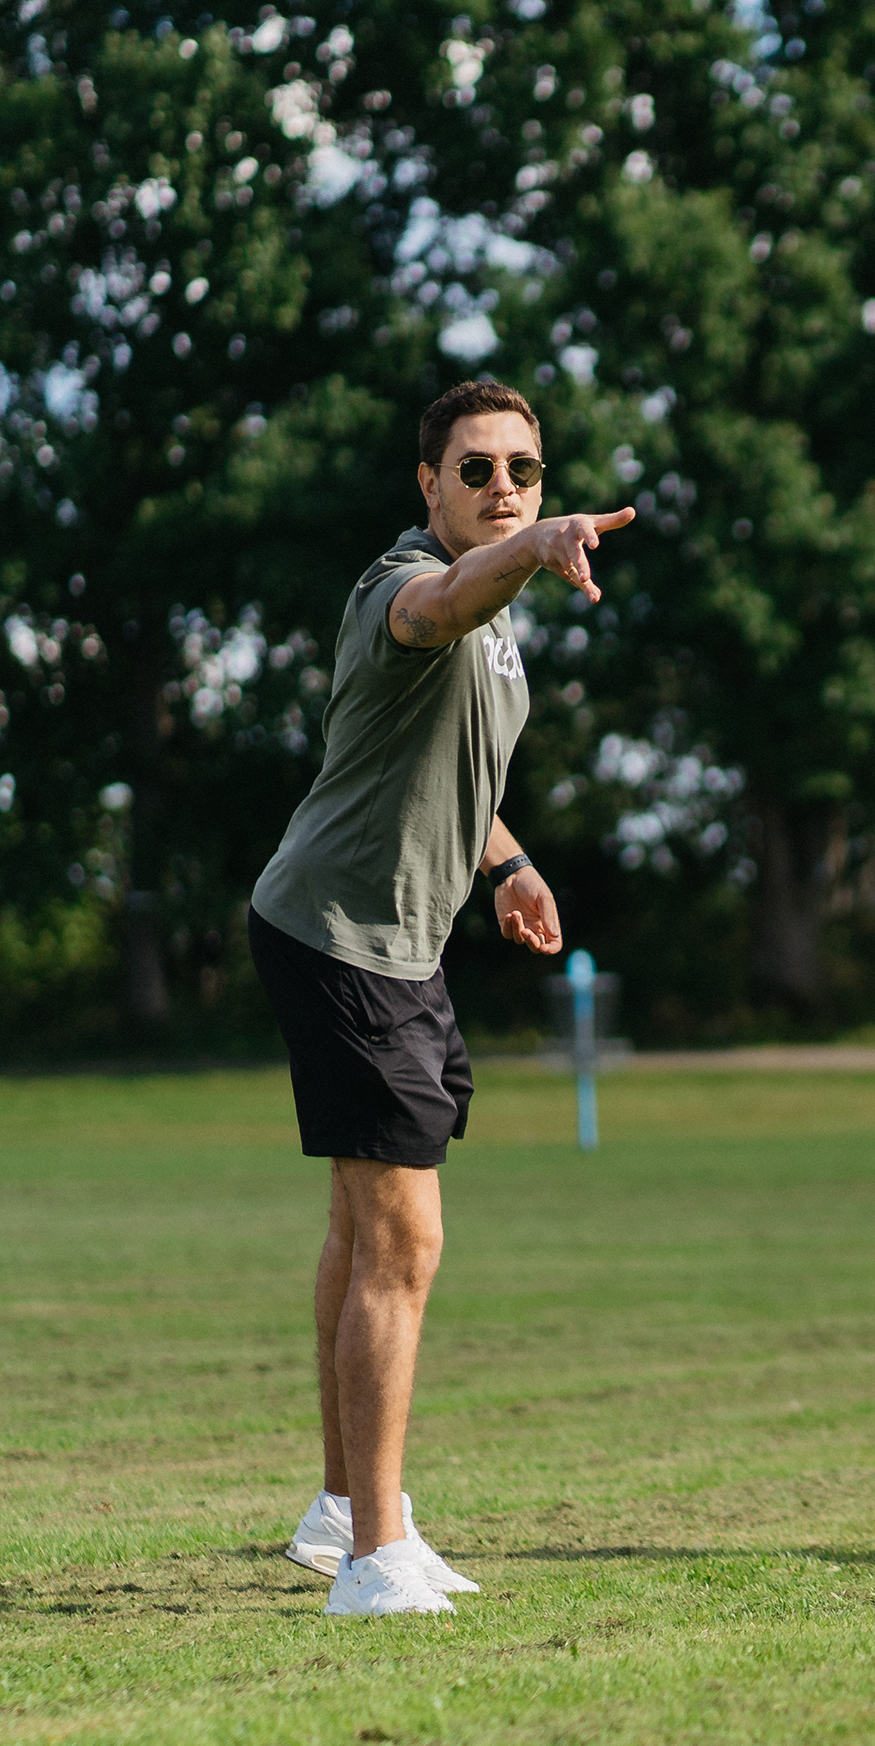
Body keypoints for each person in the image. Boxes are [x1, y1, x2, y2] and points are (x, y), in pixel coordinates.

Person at [245, 379, 635, 1616]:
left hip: (397, 943)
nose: (503, 484)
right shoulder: (400, 586)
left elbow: (440, 767)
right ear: (429, 485)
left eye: (523, 468)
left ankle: (344, 1509)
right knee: (404, 1236)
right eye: (475, 468)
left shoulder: (497, 619)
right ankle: (373, 1558)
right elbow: (445, 603)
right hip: (341, 937)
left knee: (364, 1228)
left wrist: (506, 860)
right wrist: (531, 545)